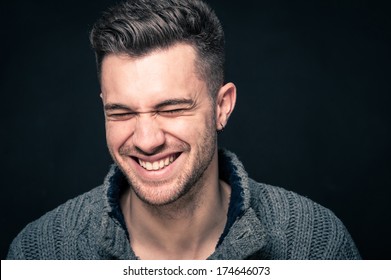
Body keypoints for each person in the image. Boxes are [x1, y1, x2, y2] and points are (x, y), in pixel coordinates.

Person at [7, 0, 360, 260]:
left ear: (222, 106)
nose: (146, 140)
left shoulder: (316, 244)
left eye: (172, 109)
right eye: (121, 113)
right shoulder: (41, 252)